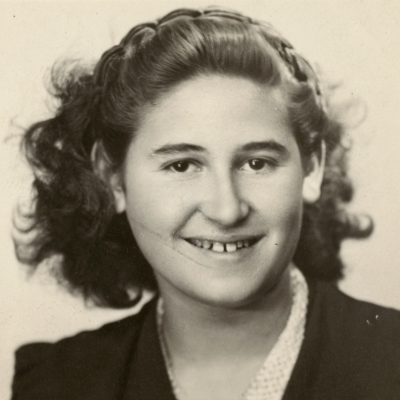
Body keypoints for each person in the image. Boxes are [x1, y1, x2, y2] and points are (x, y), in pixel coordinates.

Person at [11, 7, 400, 400]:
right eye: (181, 165)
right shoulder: (54, 385)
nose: (226, 210)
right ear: (113, 178)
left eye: (256, 163)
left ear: (311, 167)